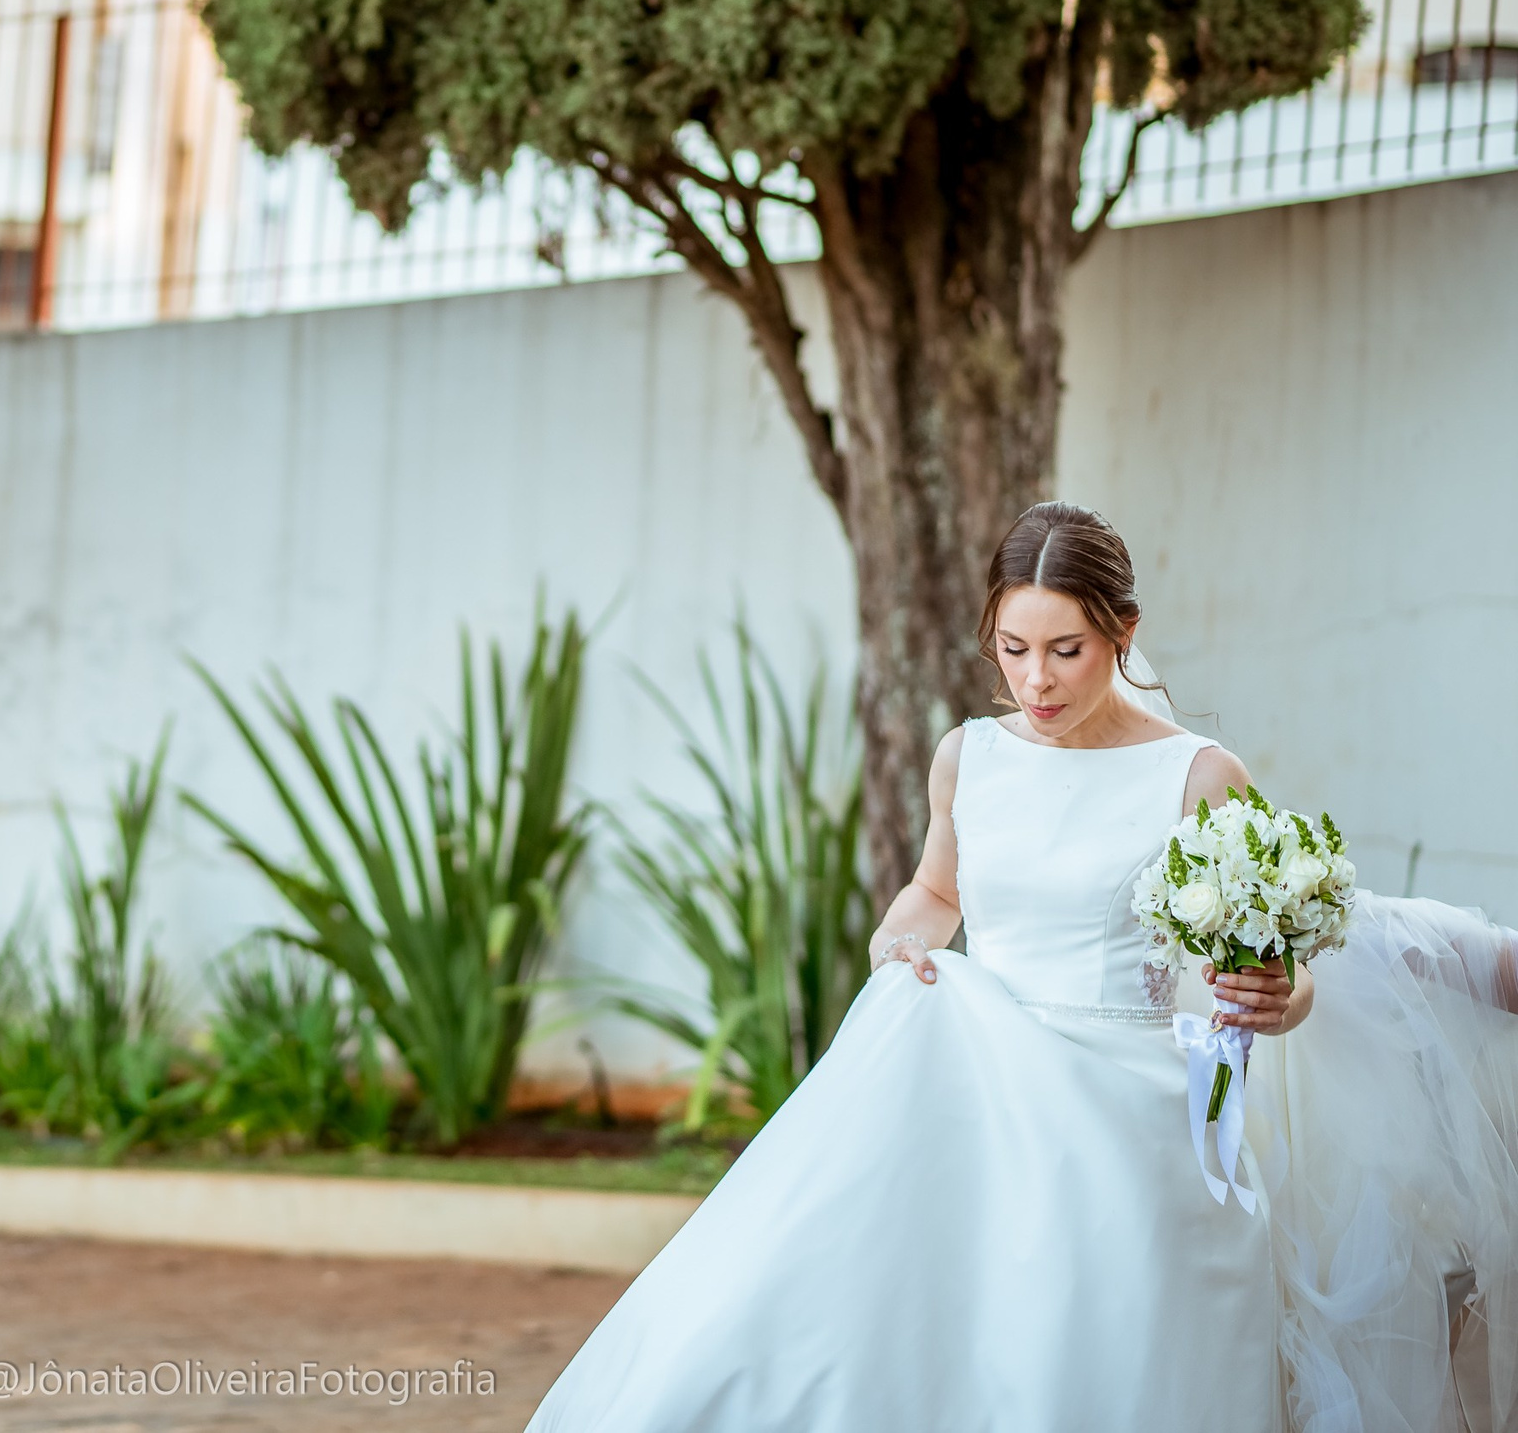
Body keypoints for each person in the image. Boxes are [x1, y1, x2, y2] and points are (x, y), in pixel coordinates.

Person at [528, 502, 1518, 1432]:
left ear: (1123, 634)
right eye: (1012, 651)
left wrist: (1277, 997)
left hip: (1136, 1116)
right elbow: (934, 890)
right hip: (980, 1079)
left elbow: (1280, 967)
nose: (1035, 682)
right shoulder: (968, 756)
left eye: (1064, 651)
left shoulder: (1198, 775)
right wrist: (899, 940)